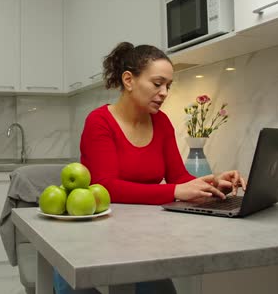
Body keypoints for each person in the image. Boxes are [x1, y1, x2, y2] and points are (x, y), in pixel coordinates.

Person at [54, 42, 247, 294]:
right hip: (94, 241)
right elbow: (107, 187)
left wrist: (212, 183)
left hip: (143, 237)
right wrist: (175, 192)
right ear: (129, 80)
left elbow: (179, 177)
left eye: (168, 85)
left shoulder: (162, 122)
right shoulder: (99, 122)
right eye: (158, 84)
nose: (165, 92)